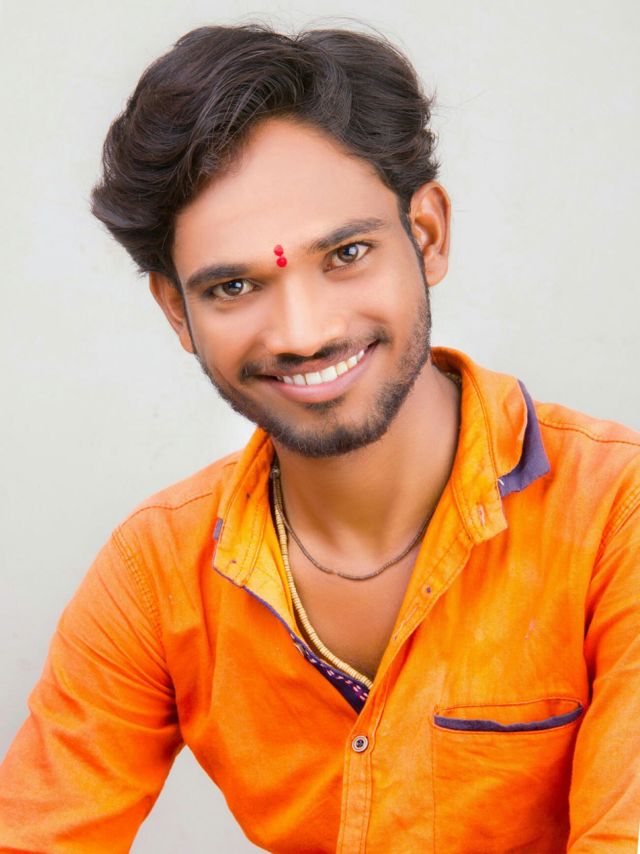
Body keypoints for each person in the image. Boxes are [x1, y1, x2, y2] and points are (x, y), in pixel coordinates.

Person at [0, 22, 638, 853]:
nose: (303, 333)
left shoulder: (614, 514)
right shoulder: (156, 573)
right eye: (234, 287)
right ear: (176, 312)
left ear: (428, 235)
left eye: (346, 253)